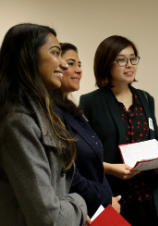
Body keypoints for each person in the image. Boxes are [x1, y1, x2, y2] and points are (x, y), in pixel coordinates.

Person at [0, 24, 88, 226]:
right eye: (56, 53)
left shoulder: (41, 114)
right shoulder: (18, 122)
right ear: (27, 57)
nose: (64, 65)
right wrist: (80, 204)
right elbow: (48, 219)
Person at [79, 35, 158, 226]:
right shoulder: (90, 102)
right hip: (112, 198)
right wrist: (111, 169)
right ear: (106, 63)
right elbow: (82, 156)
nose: (129, 65)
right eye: (121, 60)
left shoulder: (146, 99)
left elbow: (156, 141)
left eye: (133, 58)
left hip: (147, 197)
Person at [49, 42, 121, 217]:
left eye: (79, 65)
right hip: (82, 209)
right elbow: (68, 173)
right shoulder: (51, 114)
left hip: (101, 204)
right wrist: (105, 199)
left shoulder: (72, 111)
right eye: (71, 63)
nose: (79, 70)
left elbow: (90, 162)